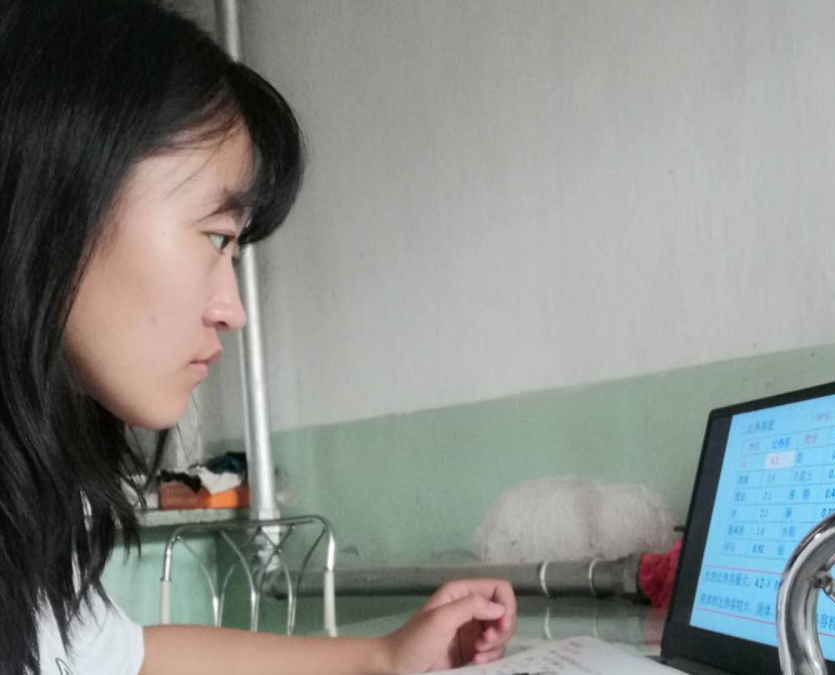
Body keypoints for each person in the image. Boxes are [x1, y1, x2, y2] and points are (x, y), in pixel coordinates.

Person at [0, 1, 517, 674]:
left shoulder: (29, 505)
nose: (232, 310)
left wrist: (384, 656)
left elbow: (128, 657)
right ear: (61, 193)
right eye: (216, 237)